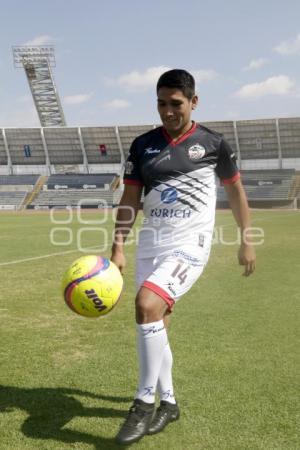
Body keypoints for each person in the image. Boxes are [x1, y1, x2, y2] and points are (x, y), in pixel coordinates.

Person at [111, 69, 256, 445]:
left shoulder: (213, 143)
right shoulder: (142, 145)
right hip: (150, 247)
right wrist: (118, 247)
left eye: (175, 103)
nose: (168, 111)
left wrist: (247, 239)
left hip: (190, 245)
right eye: (161, 103)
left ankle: (143, 403)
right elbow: (130, 200)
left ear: (194, 101)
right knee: (155, 321)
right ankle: (169, 403)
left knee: (147, 306)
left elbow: (236, 193)